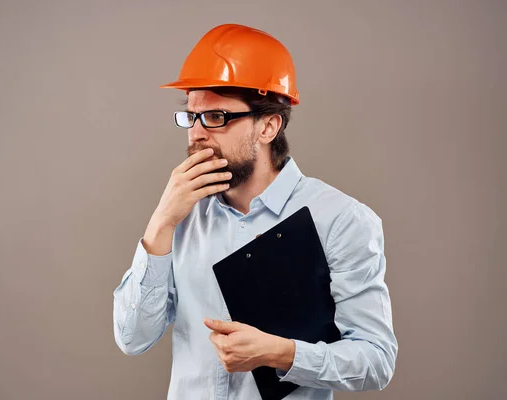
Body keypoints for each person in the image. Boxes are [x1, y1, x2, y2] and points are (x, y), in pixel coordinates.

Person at [113, 23, 398, 399]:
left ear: (268, 126)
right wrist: (160, 223)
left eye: (216, 117)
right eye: (191, 116)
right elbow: (132, 339)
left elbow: (376, 361)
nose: (197, 133)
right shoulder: (180, 217)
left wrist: (280, 353)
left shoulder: (340, 220)